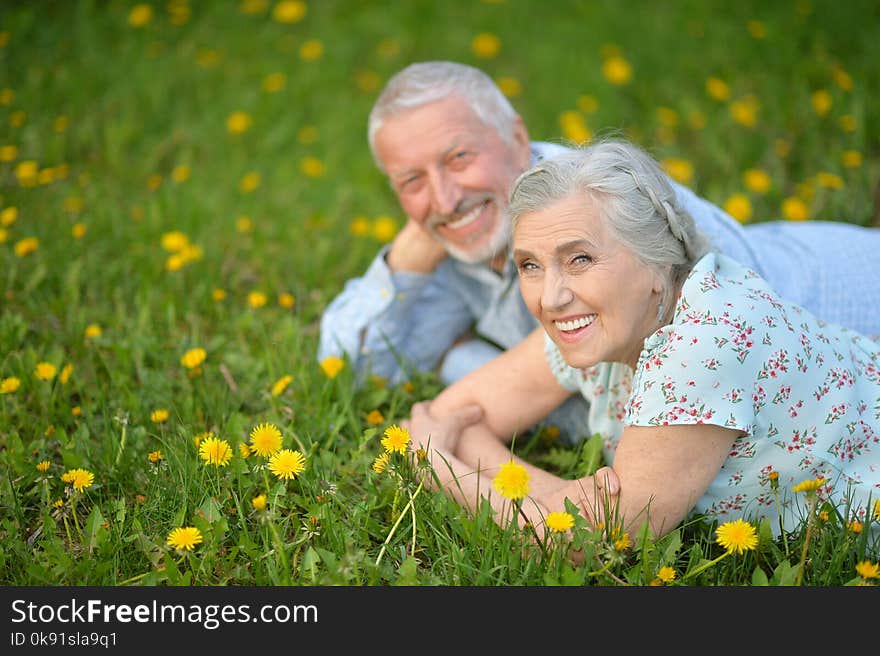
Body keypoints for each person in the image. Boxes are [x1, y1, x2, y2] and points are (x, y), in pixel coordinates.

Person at [319, 60, 880, 443]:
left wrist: (460, 365)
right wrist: (411, 252)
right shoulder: (459, 241)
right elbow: (351, 368)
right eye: (411, 180)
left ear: (516, 137)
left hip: (853, 298)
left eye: (459, 157)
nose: (444, 196)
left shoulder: (613, 201)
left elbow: (679, 398)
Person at [403, 139, 880, 545]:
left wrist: (446, 470)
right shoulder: (607, 319)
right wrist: (554, 498)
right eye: (530, 265)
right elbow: (456, 413)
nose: (551, 297)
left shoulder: (702, 346)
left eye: (580, 259)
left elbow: (586, 543)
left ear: (656, 264)